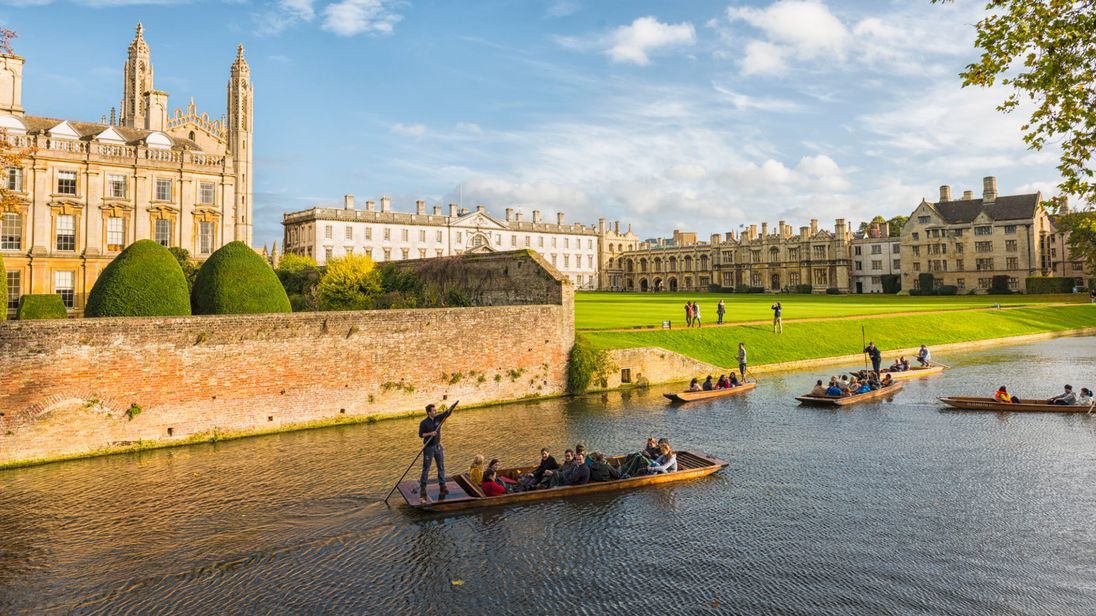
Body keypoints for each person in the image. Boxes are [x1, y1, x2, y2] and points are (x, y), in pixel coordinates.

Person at [418, 402, 455, 501]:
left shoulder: (438, 418)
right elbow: (421, 435)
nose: (435, 411)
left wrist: (452, 408)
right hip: (428, 447)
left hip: (438, 446)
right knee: (426, 468)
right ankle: (423, 487)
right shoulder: (424, 423)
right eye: (434, 410)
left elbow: (447, 414)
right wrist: (431, 433)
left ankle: (442, 485)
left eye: (435, 410)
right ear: (429, 412)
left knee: (441, 466)